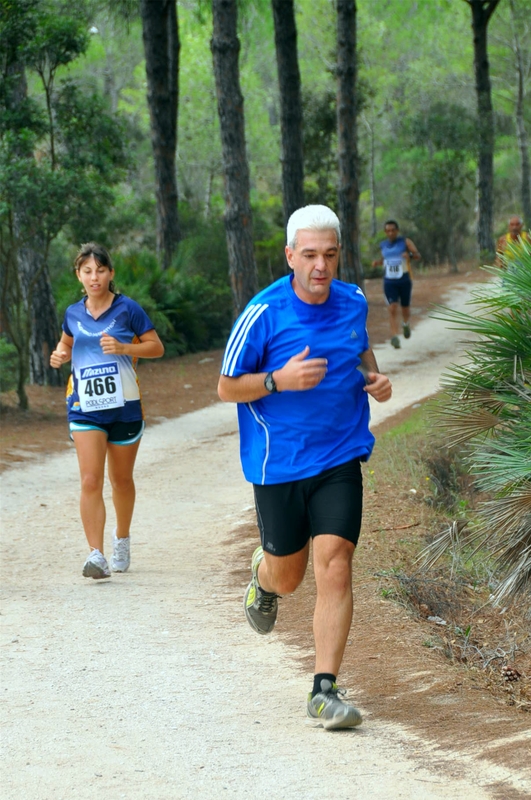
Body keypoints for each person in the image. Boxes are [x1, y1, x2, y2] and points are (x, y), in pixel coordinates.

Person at [218, 205, 392, 730]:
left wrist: (375, 378)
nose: (321, 266)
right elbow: (227, 387)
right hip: (279, 465)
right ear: (290, 255)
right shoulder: (263, 313)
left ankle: (324, 689)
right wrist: (277, 380)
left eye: (330, 255)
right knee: (289, 576)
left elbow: (360, 351)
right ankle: (263, 577)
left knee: (335, 561)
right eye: (310, 255)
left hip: (340, 456)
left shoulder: (354, 301)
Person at [50, 243, 164, 579]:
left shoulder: (128, 310)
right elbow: (67, 343)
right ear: (79, 275)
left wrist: (125, 347)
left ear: (110, 274)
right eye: (87, 271)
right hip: (85, 407)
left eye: (100, 270)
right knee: (90, 479)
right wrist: (60, 354)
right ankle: (96, 554)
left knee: (121, 480)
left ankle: (122, 539)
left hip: (125, 407)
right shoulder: (73, 313)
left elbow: (156, 347)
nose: (94, 276)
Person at [372, 219, 421, 349]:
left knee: (405, 308)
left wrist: (409, 255)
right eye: (388, 230)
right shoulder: (383, 245)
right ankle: (394, 337)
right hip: (389, 281)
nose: (390, 233)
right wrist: (378, 263)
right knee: (392, 308)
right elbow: (386, 260)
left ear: (397, 231)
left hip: (404, 279)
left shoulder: (405, 241)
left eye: (393, 230)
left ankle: (405, 324)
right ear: (385, 232)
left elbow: (417, 255)